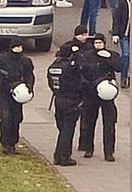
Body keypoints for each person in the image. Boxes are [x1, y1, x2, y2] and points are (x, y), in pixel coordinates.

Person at [77, 34, 120, 161]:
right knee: (89, 122)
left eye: (100, 43)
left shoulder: (112, 54)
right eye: (96, 43)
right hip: (91, 93)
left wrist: (108, 58)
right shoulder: (88, 55)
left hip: (107, 93)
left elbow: (119, 67)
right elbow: (83, 70)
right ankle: (88, 148)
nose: (98, 45)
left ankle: (109, 152)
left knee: (109, 123)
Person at [0, 38, 35, 154]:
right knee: (5, 118)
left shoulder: (25, 61)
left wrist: (29, 87)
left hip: (18, 94)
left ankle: (12, 143)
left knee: (16, 119)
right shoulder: (1, 60)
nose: (18, 49)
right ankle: (5, 143)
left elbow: (29, 76)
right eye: (16, 47)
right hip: (3, 93)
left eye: (20, 47)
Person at [53, 27, 88, 166]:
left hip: (58, 98)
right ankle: (64, 157)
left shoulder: (54, 66)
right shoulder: (71, 67)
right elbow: (79, 82)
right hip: (71, 100)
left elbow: (51, 82)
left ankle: (57, 155)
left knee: (62, 130)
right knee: (68, 129)